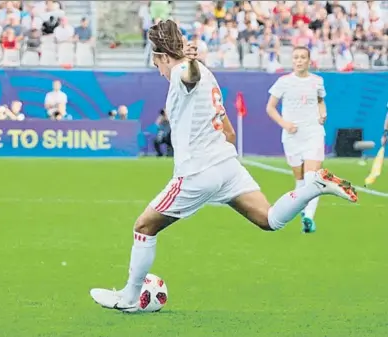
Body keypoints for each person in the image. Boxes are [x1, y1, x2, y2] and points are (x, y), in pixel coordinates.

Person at [89, 20, 357, 312]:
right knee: (268, 219)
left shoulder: (184, 71)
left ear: (164, 57)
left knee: (144, 226)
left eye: (157, 64)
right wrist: (195, 66)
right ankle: (312, 187)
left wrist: (188, 62)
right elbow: (226, 127)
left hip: (197, 172)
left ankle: (129, 296)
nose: (159, 71)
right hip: (226, 164)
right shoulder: (206, 71)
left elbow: (186, 77)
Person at [266, 46, 328, 233]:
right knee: (300, 180)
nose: (299, 60)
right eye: (296, 57)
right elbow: (270, 108)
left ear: (309, 60)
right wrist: (284, 124)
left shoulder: (317, 81)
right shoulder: (283, 82)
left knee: (312, 176)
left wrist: (323, 112)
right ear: (292, 61)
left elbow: (320, 100)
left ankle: (309, 216)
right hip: (292, 136)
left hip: (313, 132)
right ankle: (300, 211)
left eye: (303, 57)